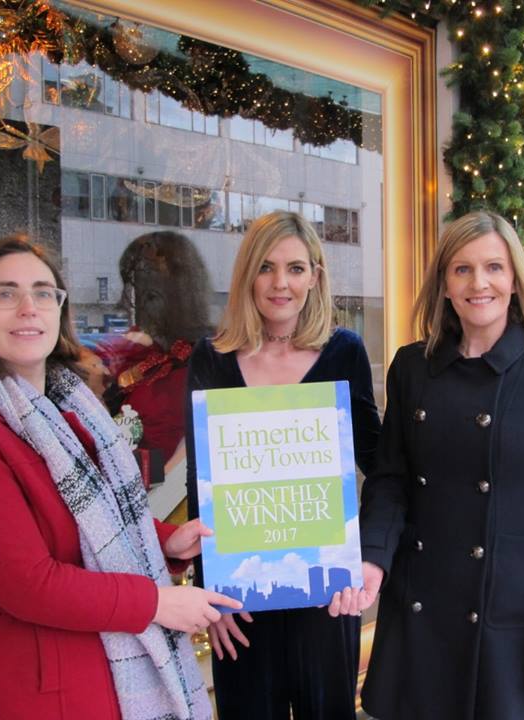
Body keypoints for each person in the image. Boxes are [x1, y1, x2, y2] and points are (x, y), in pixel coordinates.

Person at [0, 236, 240, 720]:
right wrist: (155, 603)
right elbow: (27, 583)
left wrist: (169, 543)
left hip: (110, 669)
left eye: (44, 292)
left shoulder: (72, 409)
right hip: (39, 686)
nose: (29, 307)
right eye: (5, 293)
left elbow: (95, 524)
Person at [332, 211, 524, 719]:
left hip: (508, 617)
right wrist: (372, 557)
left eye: (494, 267)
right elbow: (391, 481)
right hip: (421, 606)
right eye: (463, 269)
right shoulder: (412, 366)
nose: (480, 283)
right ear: (444, 284)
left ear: (514, 279)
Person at [185, 210, 381, 720]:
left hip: (325, 594)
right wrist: (210, 593)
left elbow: (379, 464)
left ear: (315, 276)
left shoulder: (344, 352)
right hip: (242, 598)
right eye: (266, 267)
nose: (280, 283)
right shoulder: (212, 357)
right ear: (247, 274)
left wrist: (370, 557)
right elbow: (200, 483)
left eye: (295, 269)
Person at [102, 230, 213, 461]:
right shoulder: (143, 357)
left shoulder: (210, 362)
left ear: (183, 293)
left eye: (151, 295)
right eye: (135, 291)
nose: (140, 305)